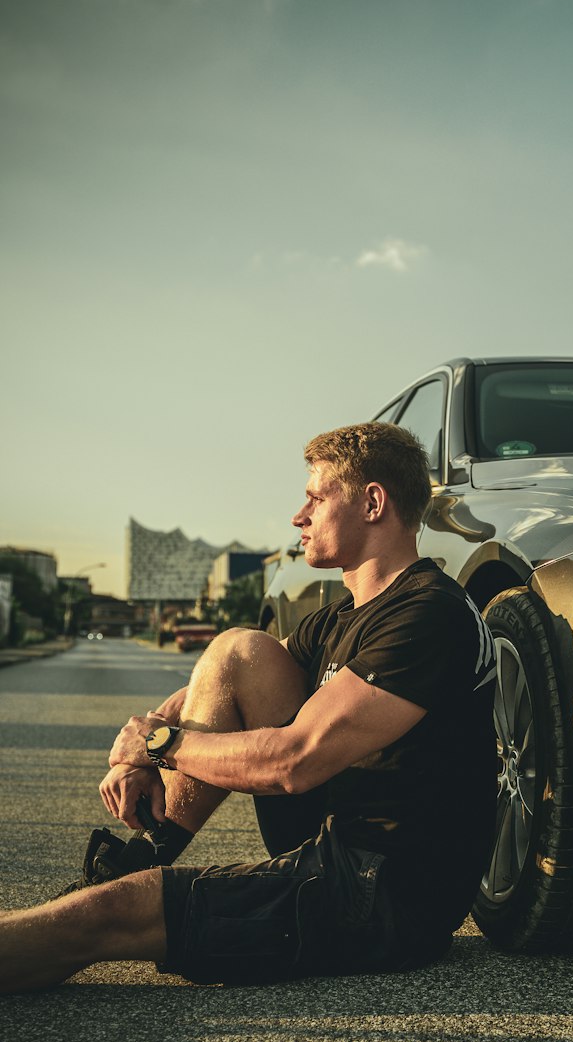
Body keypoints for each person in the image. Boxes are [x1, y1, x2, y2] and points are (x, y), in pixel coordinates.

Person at [0, 423, 496, 992]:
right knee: (240, 649)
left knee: (105, 916)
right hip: (334, 844)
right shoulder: (340, 617)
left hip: (376, 892)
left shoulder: (428, 614)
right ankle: (146, 856)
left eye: (316, 497)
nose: (298, 516)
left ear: (373, 502)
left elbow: (294, 761)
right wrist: (143, 742)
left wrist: (164, 746)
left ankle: (125, 884)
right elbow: (219, 680)